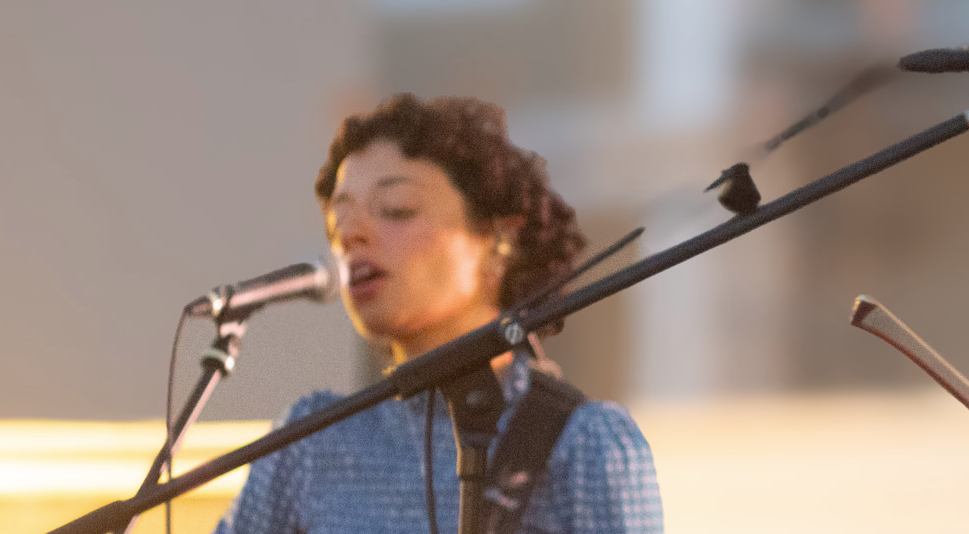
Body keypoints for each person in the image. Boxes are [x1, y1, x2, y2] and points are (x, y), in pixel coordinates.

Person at [216, 95, 664, 534]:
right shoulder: (308, 443)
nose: (351, 235)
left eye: (397, 210)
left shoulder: (584, 443)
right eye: (338, 222)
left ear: (499, 242)